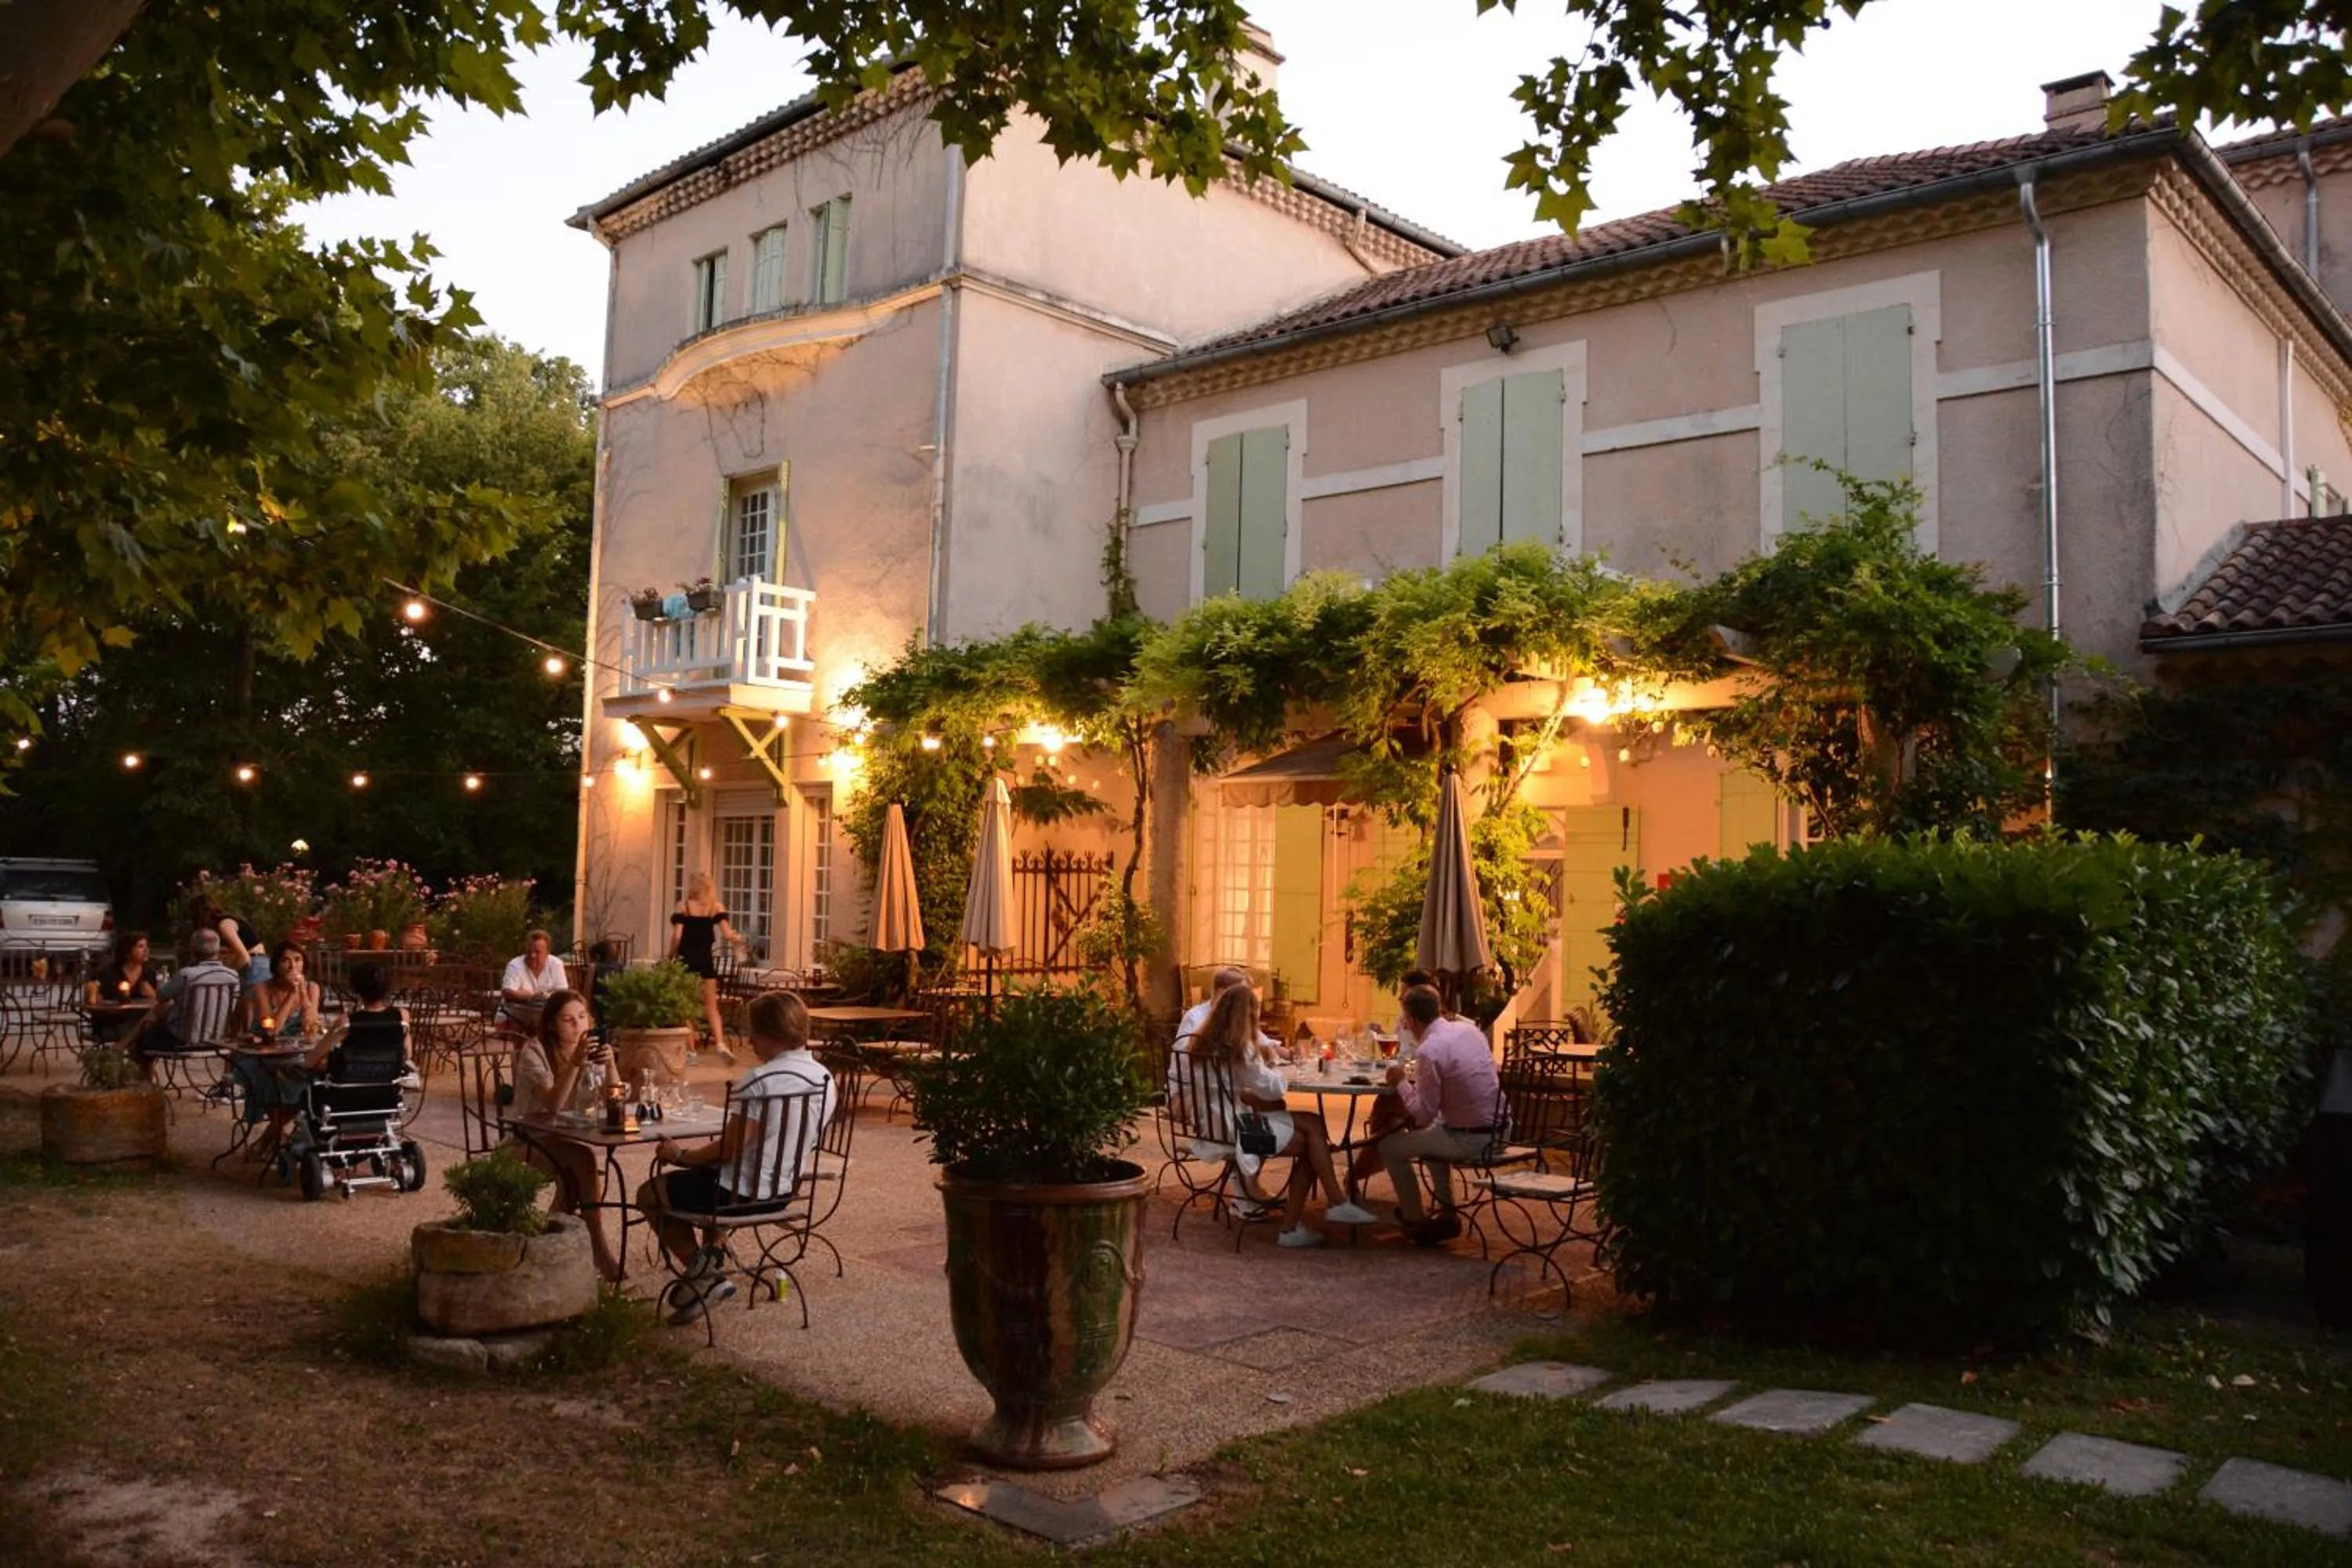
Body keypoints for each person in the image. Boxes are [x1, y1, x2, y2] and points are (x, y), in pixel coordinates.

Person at [637, 990, 834, 1324]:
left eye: (753, 1032)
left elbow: (730, 1148)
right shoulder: (824, 1078)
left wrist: (681, 1155)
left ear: (771, 1033)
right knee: (712, 1180)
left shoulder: (760, 1080)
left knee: (651, 1193)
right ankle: (709, 1266)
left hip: (738, 1196)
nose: (750, 1041)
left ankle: (706, 1275)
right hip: (783, 1191)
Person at [1191, 984, 1377, 1248]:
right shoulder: (1240, 1049)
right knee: (1314, 1142)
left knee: (1314, 1128)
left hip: (1214, 1126)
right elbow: (1273, 1089)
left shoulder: (1201, 1045)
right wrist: (1274, 1068)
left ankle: (1328, 1208)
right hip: (1243, 1131)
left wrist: (1254, 1084)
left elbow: (1242, 1088)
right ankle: (1306, 1220)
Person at [1375, 985, 1504, 1245]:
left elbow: (1423, 1114)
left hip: (1472, 1139)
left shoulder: (1429, 1050)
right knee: (1433, 1133)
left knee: (1389, 1146)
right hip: (1502, 1131)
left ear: (1412, 1020)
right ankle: (1447, 1213)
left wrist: (1401, 1082)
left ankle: (1415, 1220)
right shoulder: (1470, 1031)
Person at [506, 989, 621, 1279]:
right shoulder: (535, 1052)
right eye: (568, 1020)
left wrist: (610, 1065)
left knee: (574, 1178)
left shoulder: (590, 1051)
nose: (577, 1025)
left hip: (565, 1139)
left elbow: (615, 1101)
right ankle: (598, 1249)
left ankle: (546, 1249)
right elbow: (553, 1104)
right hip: (527, 1140)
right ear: (552, 1025)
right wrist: (574, 1064)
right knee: (582, 1160)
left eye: (582, 1017)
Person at [1343, 968, 1436, 1203]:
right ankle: (1358, 1176)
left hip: (1427, 1098)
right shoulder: (1405, 1020)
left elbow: (1419, 1063)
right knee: (1390, 1123)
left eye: (1404, 993)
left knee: (1387, 1124)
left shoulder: (1433, 1031)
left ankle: (1355, 1176)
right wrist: (1383, 1036)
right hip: (1405, 1088)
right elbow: (1399, 1053)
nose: (1399, 998)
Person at [227, 942, 323, 1145]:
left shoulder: (312, 988)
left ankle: (266, 1143)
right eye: (286, 961)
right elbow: (271, 1030)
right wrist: (291, 997)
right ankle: (275, 1143)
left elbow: (311, 1029)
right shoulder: (262, 988)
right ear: (276, 966)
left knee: (310, 1083)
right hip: (260, 1054)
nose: (293, 966)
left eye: (297, 960)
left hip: (294, 1055)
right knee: (272, 1081)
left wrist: (303, 995)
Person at [129, 930, 238, 1082]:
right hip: (219, 1039)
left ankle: (147, 1085)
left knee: (142, 1040)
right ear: (218, 950)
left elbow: (161, 996)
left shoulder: (187, 975)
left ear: (192, 950)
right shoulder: (233, 976)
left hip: (182, 1040)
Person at [669, 873, 739, 1065]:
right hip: (706, 962)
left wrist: (670, 955)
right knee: (711, 1006)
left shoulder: (683, 906)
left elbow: (677, 936)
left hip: (686, 962)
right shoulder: (715, 907)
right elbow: (727, 934)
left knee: (686, 1009)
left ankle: (691, 1052)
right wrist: (737, 939)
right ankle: (720, 1044)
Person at [84, 930, 158, 1045]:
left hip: (138, 1023)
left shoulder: (149, 974)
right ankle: (128, 1043)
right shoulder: (109, 973)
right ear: (127, 951)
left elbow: (158, 1002)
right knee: (143, 1027)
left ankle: (126, 1044)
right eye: (140, 946)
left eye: (146, 946)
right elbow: (94, 1002)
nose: (146, 950)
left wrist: (152, 995)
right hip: (112, 1023)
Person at [192, 896, 269, 988]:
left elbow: (245, 958)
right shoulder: (222, 926)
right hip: (256, 963)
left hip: (255, 964)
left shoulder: (225, 925)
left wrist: (226, 975)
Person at [499, 928, 568, 1029]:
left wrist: (522, 994)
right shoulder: (515, 965)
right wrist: (532, 997)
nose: (532, 956)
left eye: (537, 952)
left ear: (547, 953)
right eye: (529, 951)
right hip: (515, 1015)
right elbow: (507, 992)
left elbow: (562, 993)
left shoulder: (556, 964)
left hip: (546, 1015)